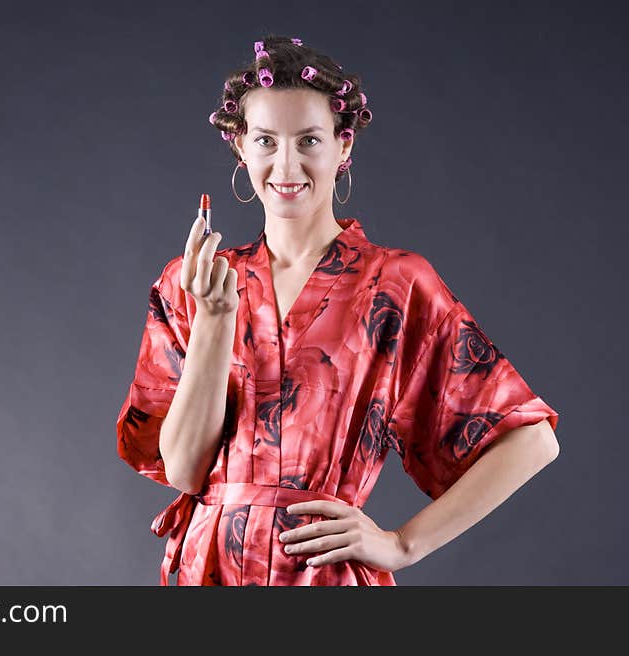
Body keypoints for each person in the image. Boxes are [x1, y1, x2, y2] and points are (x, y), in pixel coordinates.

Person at [116, 34, 560, 586]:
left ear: (343, 146)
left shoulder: (393, 285)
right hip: (205, 570)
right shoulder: (195, 283)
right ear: (239, 147)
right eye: (265, 141)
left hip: (323, 575)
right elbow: (183, 470)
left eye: (309, 139)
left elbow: (532, 439)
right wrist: (212, 321)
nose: (286, 163)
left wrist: (402, 544)